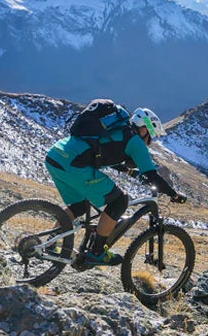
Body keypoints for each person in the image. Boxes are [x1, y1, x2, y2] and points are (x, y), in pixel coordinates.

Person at [45, 105, 186, 266]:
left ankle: (50, 243)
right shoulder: (135, 141)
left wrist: (130, 172)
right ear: (143, 130)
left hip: (55, 156)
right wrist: (174, 194)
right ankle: (97, 252)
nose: (149, 143)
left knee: (79, 205)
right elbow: (152, 176)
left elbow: (104, 153)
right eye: (150, 137)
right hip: (74, 165)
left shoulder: (117, 130)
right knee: (120, 200)